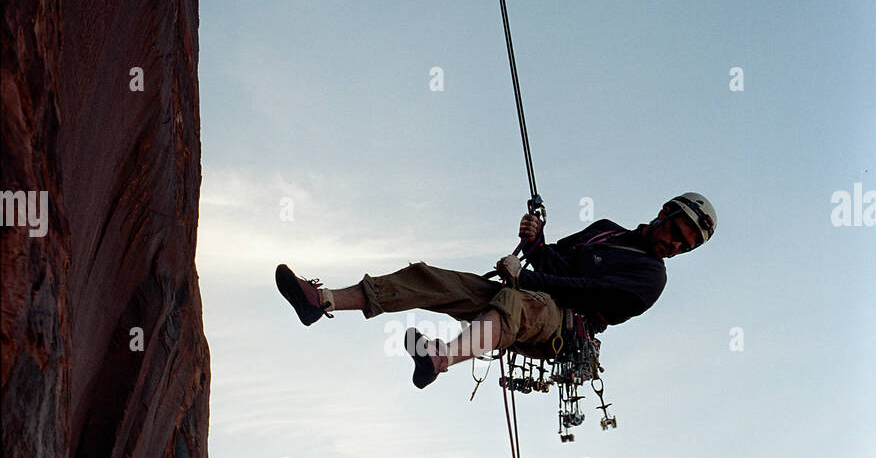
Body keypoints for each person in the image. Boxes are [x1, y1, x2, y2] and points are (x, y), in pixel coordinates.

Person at [275, 193, 717, 389]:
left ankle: (440, 358)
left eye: (685, 246)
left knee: (514, 301)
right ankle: (323, 300)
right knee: (433, 280)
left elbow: (589, 289)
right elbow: (552, 259)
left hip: (560, 322)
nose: (676, 246)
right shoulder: (605, 231)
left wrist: (528, 278)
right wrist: (534, 240)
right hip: (532, 292)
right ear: (664, 213)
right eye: (677, 233)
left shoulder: (650, 278)